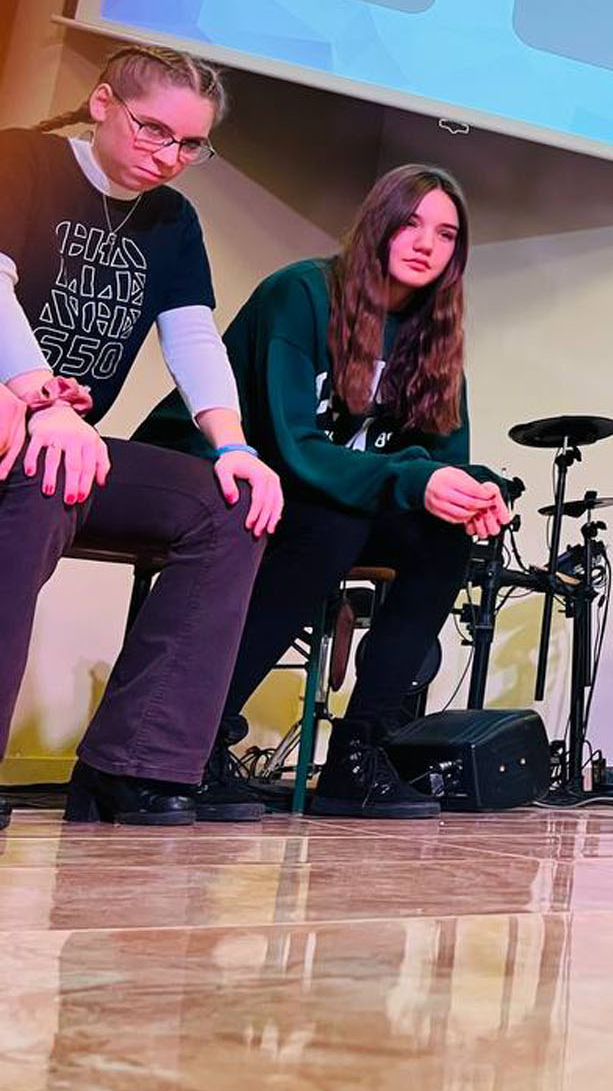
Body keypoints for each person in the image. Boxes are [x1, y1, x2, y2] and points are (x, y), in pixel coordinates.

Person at [139, 164, 508, 820]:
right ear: (378, 224)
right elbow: (293, 448)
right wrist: (414, 479)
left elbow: (445, 460)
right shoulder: (303, 294)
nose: (427, 243)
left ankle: (360, 752)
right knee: (330, 526)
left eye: (447, 234)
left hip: (322, 495)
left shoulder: (435, 335)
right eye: (411, 223)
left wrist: (475, 493)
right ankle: (198, 737)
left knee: (443, 537)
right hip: (218, 473)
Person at [0, 44, 281, 827]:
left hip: (70, 443)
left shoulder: (172, 220)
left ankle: (134, 764)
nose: (169, 156)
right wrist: (41, 400)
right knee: (47, 474)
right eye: (154, 130)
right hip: (21, 426)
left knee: (228, 509)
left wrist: (234, 448)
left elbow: (192, 338)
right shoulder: (23, 161)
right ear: (102, 104)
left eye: (190, 144)